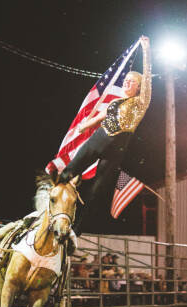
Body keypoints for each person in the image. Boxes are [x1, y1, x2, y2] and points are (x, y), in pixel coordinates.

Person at [58, 36, 151, 235]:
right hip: (99, 139)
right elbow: (100, 117)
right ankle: (55, 211)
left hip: (117, 150)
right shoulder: (114, 102)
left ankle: (77, 229)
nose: (127, 83)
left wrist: (146, 50)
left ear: (139, 87)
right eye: (126, 80)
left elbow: (148, 76)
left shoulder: (141, 103)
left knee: (96, 192)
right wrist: (83, 127)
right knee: (68, 173)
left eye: (131, 81)